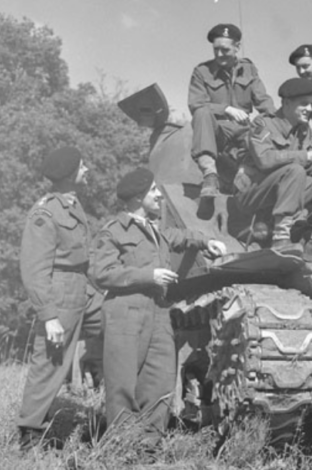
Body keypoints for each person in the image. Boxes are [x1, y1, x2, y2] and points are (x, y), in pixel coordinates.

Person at [91, 167, 226, 443]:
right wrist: (148, 275)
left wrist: (206, 241)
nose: (159, 195)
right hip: (125, 310)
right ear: (138, 197)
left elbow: (181, 237)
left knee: (160, 378)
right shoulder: (114, 231)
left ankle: (149, 445)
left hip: (159, 311)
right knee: (123, 382)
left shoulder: (157, 231)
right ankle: (122, 447)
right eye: (153, 190)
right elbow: (101, 273)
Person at [17, 146, 103, 451]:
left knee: (121, 322)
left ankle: (106, 403)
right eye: (82, 166)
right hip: (61, 293)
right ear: (69, 173)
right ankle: (30, 435)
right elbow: (34, 269)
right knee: (50, 364)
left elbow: (84, 257)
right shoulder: (45, 212)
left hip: (84, 289)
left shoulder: (73, 204)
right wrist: (48, 315)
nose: (87, 169)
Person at [235, 77, 312, 270]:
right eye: (304, 104)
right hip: (252, 196)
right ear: (286, 103)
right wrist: (307, 155)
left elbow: (310, 168)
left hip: (286, 192)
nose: (310, 109)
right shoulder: (262, 124)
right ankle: (280, 238)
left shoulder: (305, 131)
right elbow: (265, 160)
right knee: (294, 169)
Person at [188, 23, 276, 198]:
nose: (220, 55)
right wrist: (226, 109)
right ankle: (210, 175)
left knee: (267, 131)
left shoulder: (249, 70)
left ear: (237, 47)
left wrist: (275, 122)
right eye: (216, 50)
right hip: (217, 131)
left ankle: (242, 181)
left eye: (225, 50)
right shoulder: (202, 72)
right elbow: (196, 104)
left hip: (243, 129)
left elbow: (264, 101)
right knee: (201, 113)